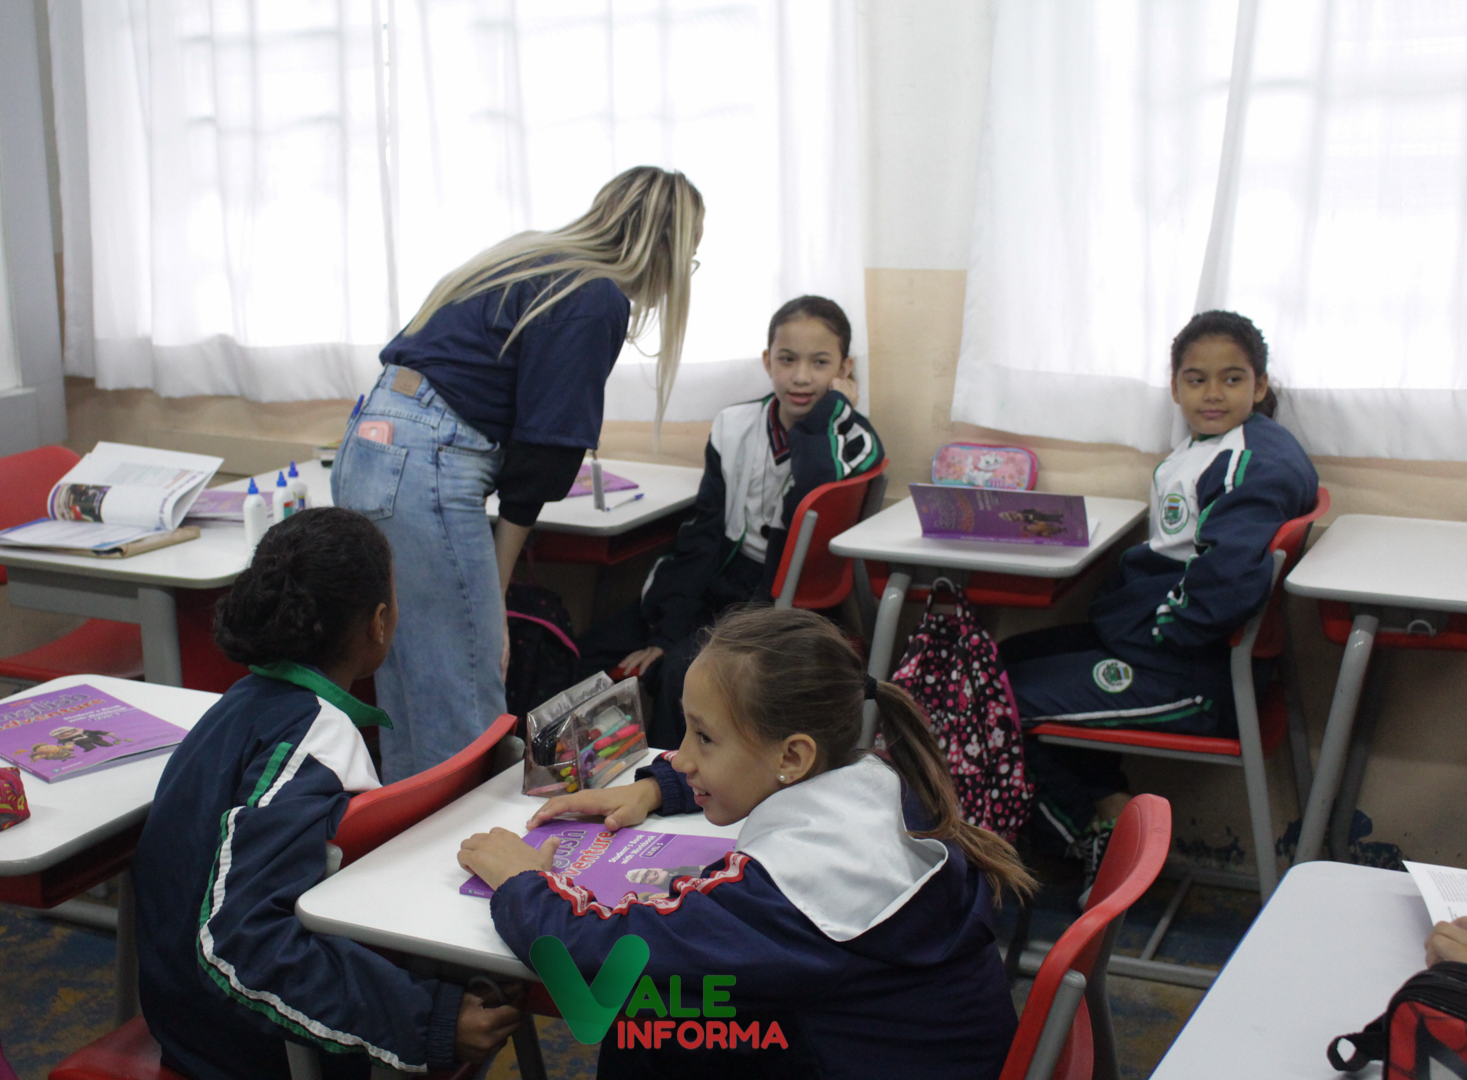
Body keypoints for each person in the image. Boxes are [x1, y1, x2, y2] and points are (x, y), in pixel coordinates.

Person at [459, 606, 1032, 1080]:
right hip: (899, 1048)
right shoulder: (879, 784)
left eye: (704, 737)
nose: (682, 756)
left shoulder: (789, 894)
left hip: (854, 1057)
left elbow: (605, 954)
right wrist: (656, 790)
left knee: (645, 1019)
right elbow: (746, 768)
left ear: (793, 757)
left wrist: (521, 881)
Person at [333, 166, 704, 783]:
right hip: (426, 461)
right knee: (465, 701)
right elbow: (542, 462)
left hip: (374, 445)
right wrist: (495, 599)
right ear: (669, 250)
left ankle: (412, 829)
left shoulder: (528, 257)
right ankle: (464, 840)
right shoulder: (594, 295)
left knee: (412, 691)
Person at [131, 508, 522, 1080]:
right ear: (379, 623)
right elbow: (241, 946)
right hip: (247, 1050)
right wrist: (428, 1021)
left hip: (193, 1015)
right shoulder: (318, 743)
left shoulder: (238, 706)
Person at [1003, 311, 1319, 883]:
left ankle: (1088, 838)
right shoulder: (1211, 446)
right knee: (995, 664)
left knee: (995, 699)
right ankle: (1111, 813)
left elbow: (1224, 585)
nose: (1213, 393)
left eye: (1232, 379)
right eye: (1197, 379)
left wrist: (1158, 632)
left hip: (1192, 675)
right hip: (1155, 642)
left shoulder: (1249, 463)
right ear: (1175, 387)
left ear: (1260, 386)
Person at [575, 296, 884, 746]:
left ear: (844, 369)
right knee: (588, 651)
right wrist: (667, 632)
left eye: (820, 363)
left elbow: (814, 482)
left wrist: (828, 412)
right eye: (787, 359)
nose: (801, 376)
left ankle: (672, 779)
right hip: (716, 581)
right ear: (768, 361)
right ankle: (575, 767)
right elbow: (702, 536)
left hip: (781, 597)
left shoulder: (853, 437)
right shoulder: (733, 425)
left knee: (683, 673)